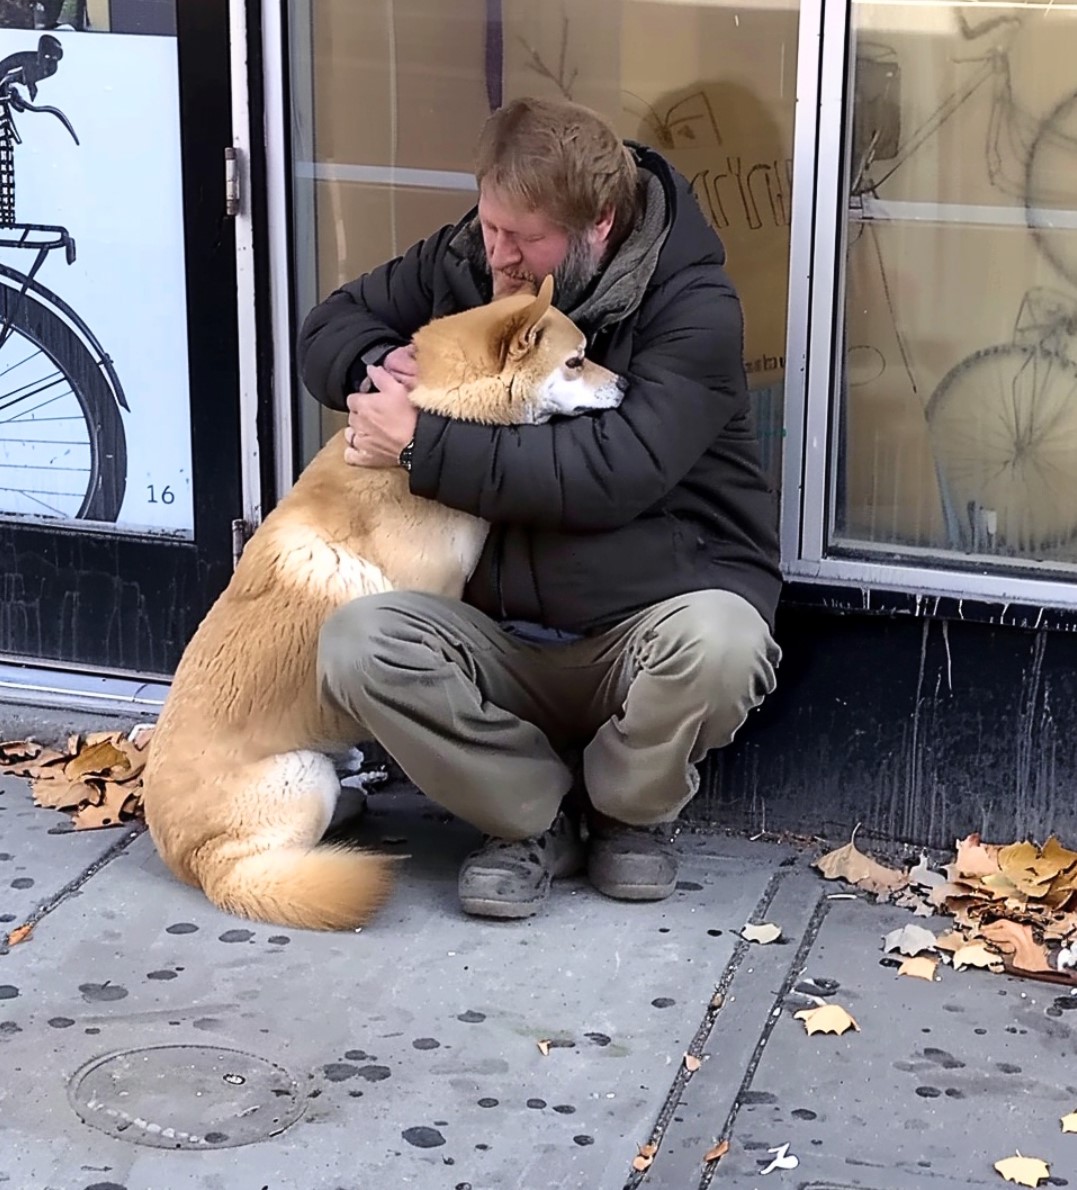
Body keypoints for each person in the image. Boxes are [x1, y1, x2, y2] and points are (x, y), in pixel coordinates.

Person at [297, 96, 782, 920]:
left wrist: (420, 444)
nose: (497, 255)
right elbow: (329, 326)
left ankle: (626, 815)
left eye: (521, 239)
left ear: (597, 226)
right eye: (489, 225)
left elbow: (609, 474)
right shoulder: (473, 258)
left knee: (724, 643)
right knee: (356, 643)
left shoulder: (694, 310)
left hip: (640, 629)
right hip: (499, 636)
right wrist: (388, 366)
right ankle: (530, 817)